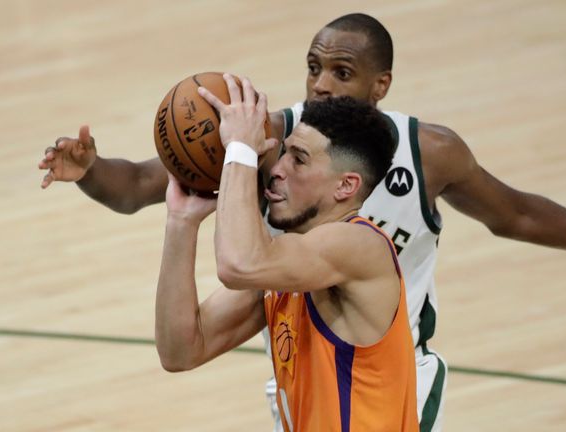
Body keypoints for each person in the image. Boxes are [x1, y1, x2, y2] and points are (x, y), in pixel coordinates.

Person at [38, 13, 566, 432]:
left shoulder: (424, 156)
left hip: (387, 359)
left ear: (380, 86)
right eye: (313, 69)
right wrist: (98, 175)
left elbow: (517, 214)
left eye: (341, 72)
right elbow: (140, 192)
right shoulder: (277, 144)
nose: (320, 86)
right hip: (305, 339)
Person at [157, 76, 418, 431]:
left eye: (299, 160)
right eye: (283, 154)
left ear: (346, 185)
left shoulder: (360, 246)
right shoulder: (285, 267)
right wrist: (181, 222)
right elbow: (180, 351)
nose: (277, 169)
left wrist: (240, 150)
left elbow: (238, 264)